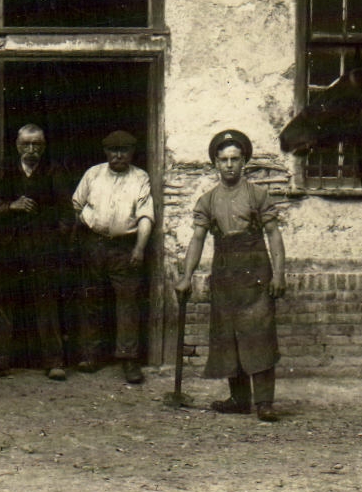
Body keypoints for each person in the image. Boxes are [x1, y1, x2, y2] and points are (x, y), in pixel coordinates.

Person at [175, 130, 288, 421]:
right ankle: (239, 399)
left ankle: (264, 403)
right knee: (228, 334)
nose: (229, 165)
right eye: (224, 160)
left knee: (259, 333)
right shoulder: (208, 200)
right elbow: (197, 239)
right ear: (216, 163)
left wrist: (279, 274)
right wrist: (186, 276)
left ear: (244, 162)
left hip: (256, 271)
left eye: (235, 159)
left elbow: (274, 235)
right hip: (224, 272)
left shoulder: (258, 195)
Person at [0, 124, 73, 381]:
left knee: (46, 302)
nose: (31, 149)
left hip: (43, 250)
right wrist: (12, 206)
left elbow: (67, 213)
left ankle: (54, 361)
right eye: (26, 144)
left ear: (44, 146)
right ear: (17, 146)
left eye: (37, 144)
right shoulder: (5, 171)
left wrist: (56, 240)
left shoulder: (54, 171)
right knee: (4, 302)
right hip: (10, 248)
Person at [71, 129, 153, 384]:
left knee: (127, 301)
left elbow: (145, 216)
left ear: (132, 152)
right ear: (106, 151)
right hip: (93, 243)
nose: (118, 155)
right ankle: (90, 355)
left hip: (124, 247)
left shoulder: (140, 177)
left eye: (124, 150)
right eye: (113, 150)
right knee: (91, 297)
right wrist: (84, 236)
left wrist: (139, 248)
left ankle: (128, 359)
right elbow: (76, 205)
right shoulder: (93, 174)